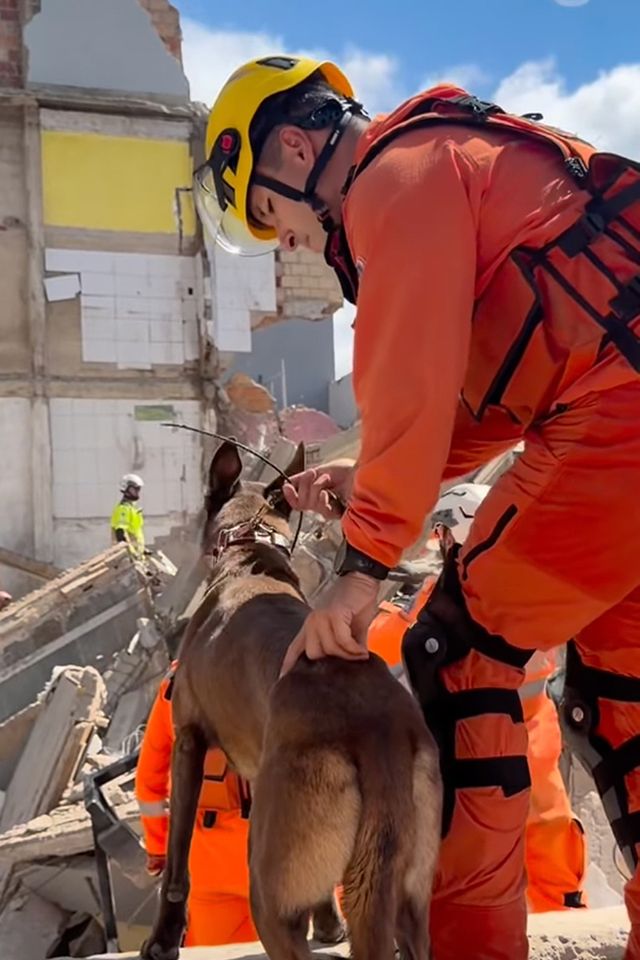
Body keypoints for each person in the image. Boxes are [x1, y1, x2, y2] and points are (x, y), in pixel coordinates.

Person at [197, 56, 640, 960]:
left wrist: (359, 573)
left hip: (616, 423)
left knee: (459, 654)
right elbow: (477, 395)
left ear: (292, 145)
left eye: (273, 214)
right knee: (625, 693)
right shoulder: (457, 163)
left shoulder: (395, 180)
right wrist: (366, 485)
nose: (286, 242)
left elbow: (411, 383)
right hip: (610, 412)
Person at [368, 482, 587, 914]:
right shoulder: (537, 600)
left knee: (466, 910)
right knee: (554, 907)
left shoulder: (411, 619)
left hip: (470, 789)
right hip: (541, 797)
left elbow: (377, 666)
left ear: (447, 537)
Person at [135, 662, 256, 947]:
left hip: (207, 863)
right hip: (285, 853)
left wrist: (159, 853)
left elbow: (149, 782)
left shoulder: (178, 681)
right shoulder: (289, 659)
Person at [111, 474, 146, 557]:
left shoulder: (132, 508)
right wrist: (129, 553)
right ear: (126, 489)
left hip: (136, 555)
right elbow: (120, 533)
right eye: (135, 489)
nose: (138, 491)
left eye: (138, 489)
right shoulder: (123, 509)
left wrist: (142, 550)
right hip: (129, 557)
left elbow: (134, 533)